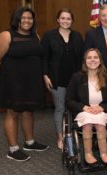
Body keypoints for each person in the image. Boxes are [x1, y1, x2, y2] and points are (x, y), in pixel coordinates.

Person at [0, 7, 49, 162]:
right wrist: (2, 78)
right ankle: (13, 149)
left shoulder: (35, 35)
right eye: (23, 18)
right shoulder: (6, 35)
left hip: (31, 82)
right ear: (16, 19)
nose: (27, 21)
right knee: (13, 112)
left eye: (30, 18)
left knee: (29, 111)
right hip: (12, 82)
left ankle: (29, 142)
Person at [66, 48, 107, 166]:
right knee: (88, 124)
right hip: (84, 111)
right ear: (85, 61)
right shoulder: (77, 78)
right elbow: (69, 100)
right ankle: (88, 154)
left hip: (101, 111)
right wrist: (83, 107)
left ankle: (104, 154)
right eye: (89, 58)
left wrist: (102, 107)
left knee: (100, 125)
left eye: (95, 57)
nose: (92, 60)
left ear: (100, 61)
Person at [41, 8, 84, 150]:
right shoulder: (49, 36)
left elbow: (82, 58)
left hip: (75, 80)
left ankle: (72, 135)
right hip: (56, 79)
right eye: (63, 18)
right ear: (58, 20)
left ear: (72, 21)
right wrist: (45, 75)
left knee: (74, 108)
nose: (66, 21)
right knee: (60, 109)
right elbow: (44, 58)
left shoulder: (77, 36)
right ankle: (61, 137)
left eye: (68, 19)